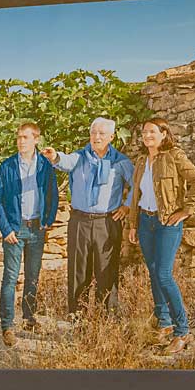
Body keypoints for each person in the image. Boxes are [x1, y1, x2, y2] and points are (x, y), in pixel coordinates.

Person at [40, 117, 134, 317]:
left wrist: (127, 207)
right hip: (80, 221)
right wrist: (55, 156)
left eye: (101, 133)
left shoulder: (120, 161)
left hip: (107, 223)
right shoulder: (80, 157)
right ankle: (78, 318)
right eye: (93, 133)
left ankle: (106, 321)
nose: (96, 137)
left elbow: (137, 185)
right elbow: (65, 162)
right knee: (78, 271)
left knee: (106, 272)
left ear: (111, 137)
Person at [128, 118, 195, 354]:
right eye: (144, 132)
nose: (147, 135)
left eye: (152, 131)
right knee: (153, 271)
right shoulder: (142, 160)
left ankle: (182, 331)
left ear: (164, 134)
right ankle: (164, 322)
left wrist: (185, 211)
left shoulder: (174, 156)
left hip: (166, 222)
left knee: (163, 274)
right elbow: (136, 195)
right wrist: (133, 224)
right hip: (145, 221)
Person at [0, 122, 59, 347]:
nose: (21, 141)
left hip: (36, 228)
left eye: (25, 137)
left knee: (32, 276)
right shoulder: (7, 166)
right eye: (19, 137)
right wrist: (6, 229)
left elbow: (53, 195)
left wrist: (48, 221)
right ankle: (7, 326)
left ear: (36, 140)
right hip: (15, 228)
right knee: (10, 278)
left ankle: (29, 319)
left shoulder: (45, 166)